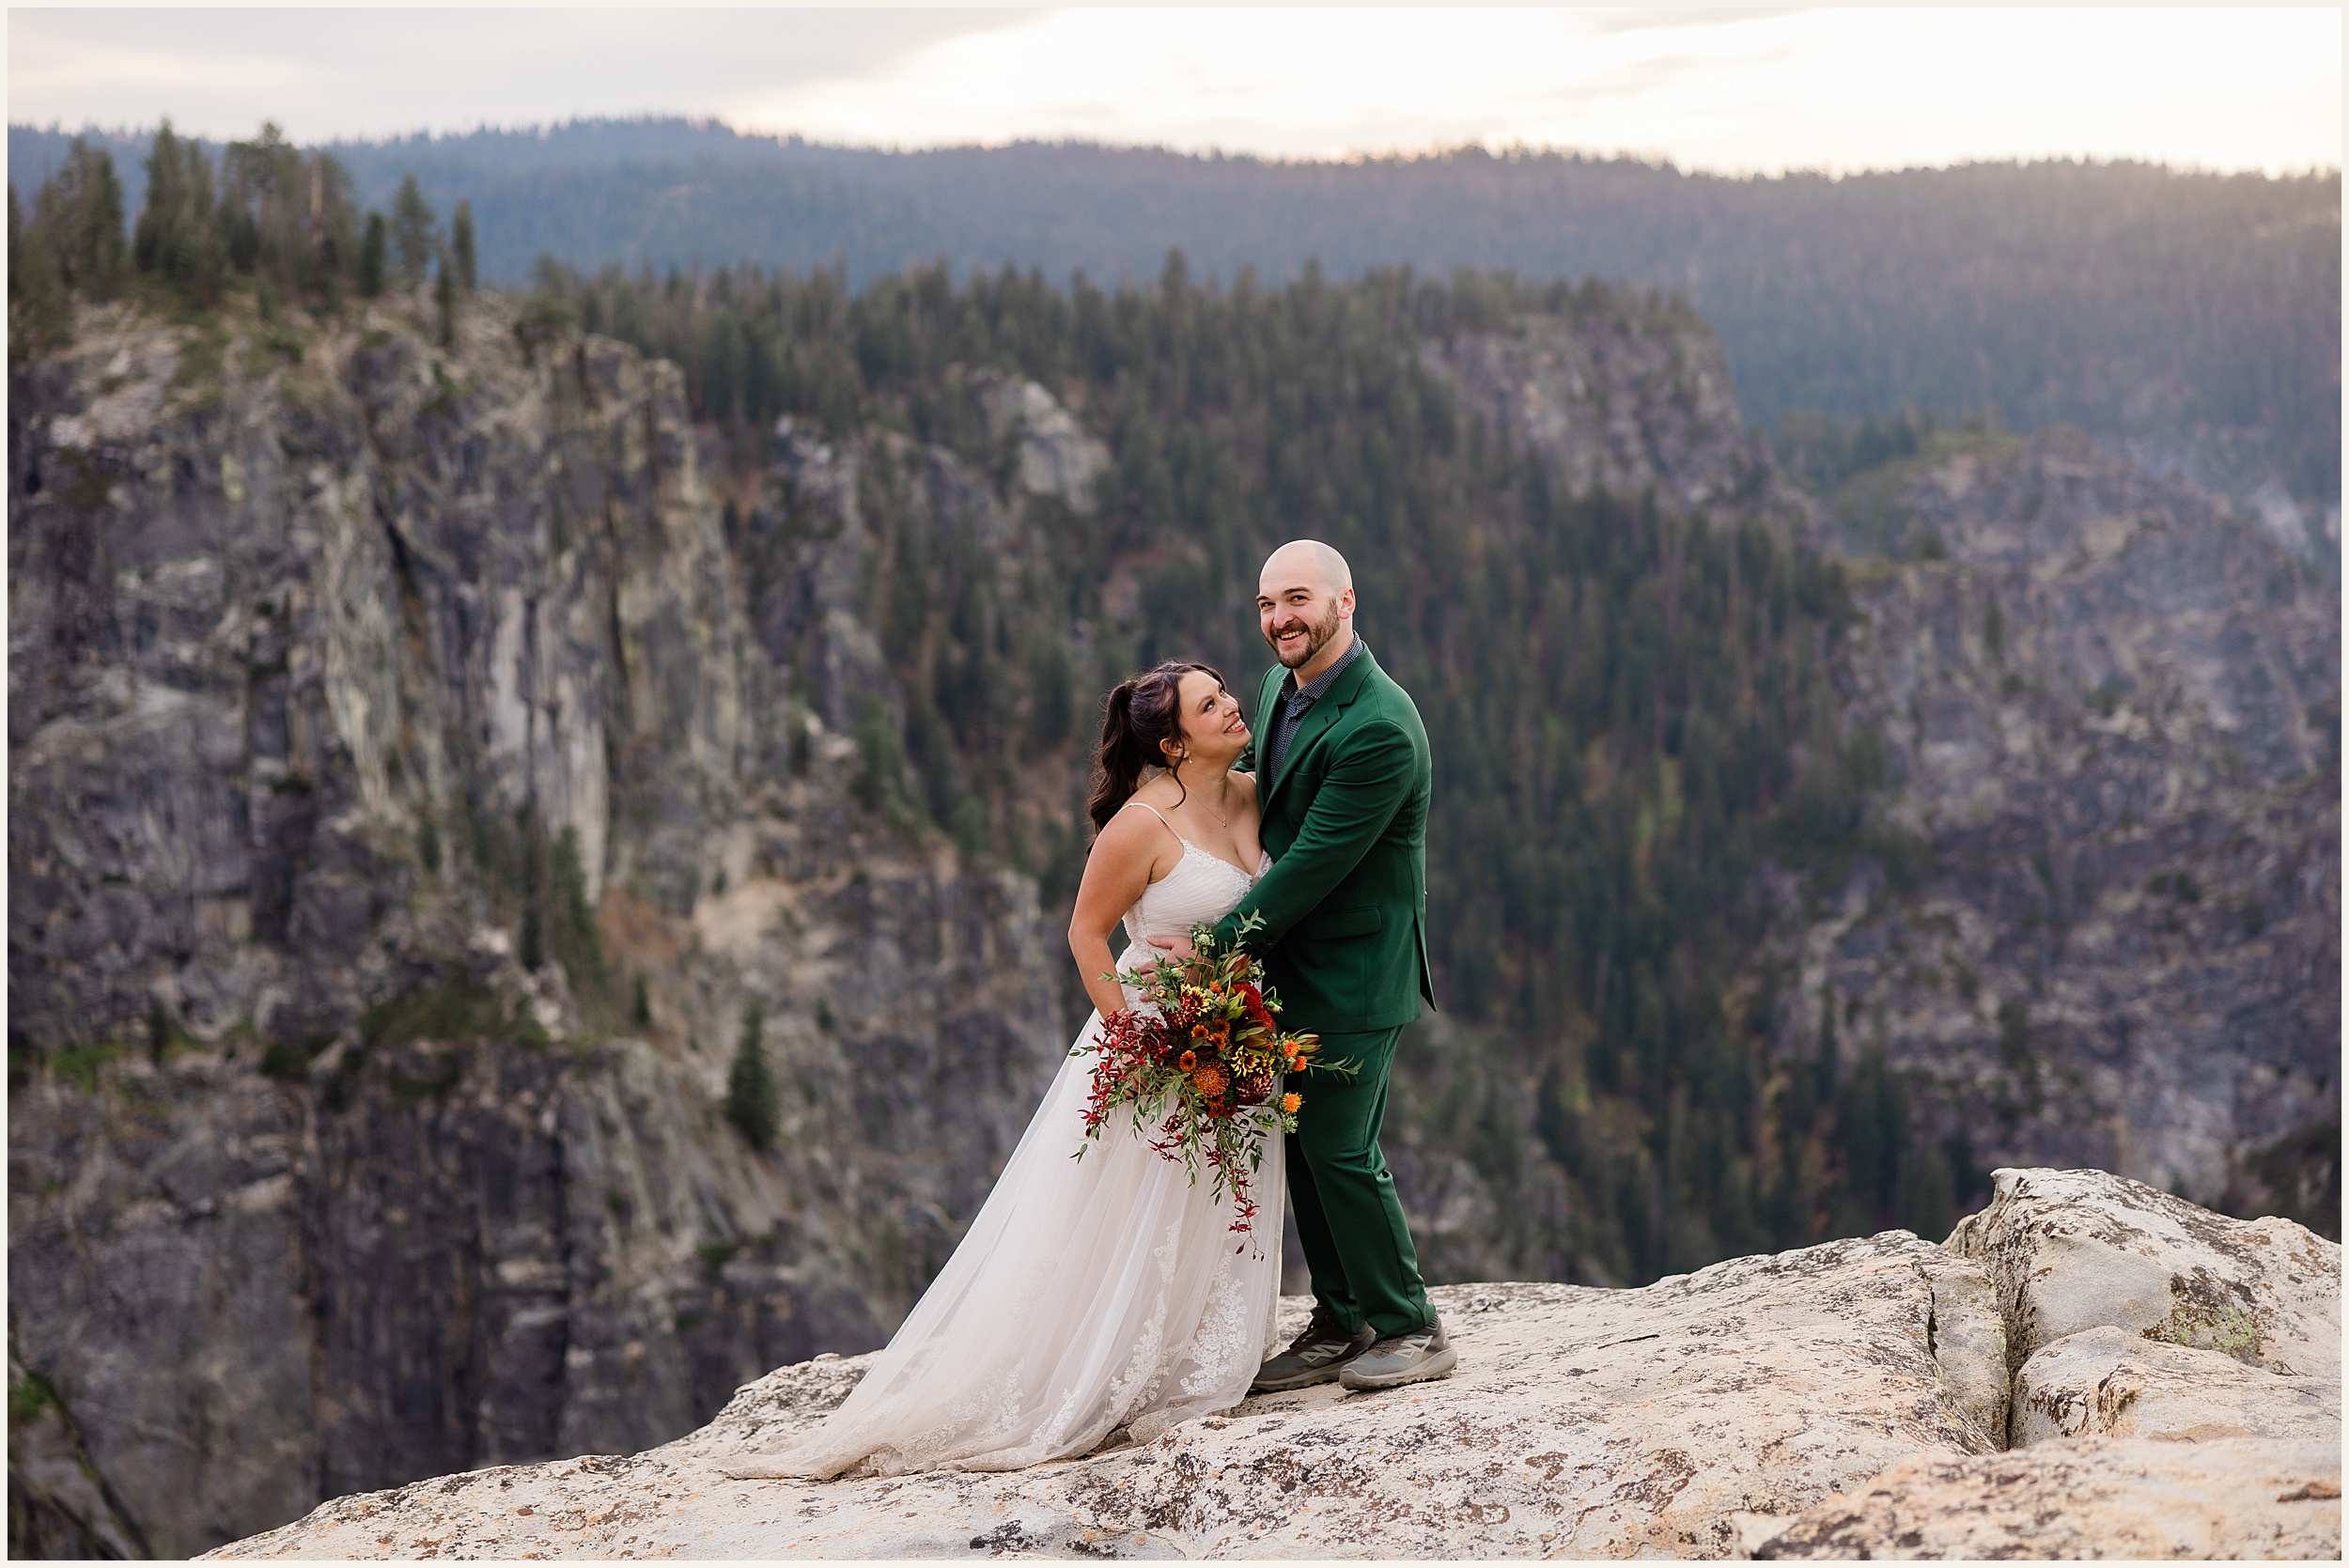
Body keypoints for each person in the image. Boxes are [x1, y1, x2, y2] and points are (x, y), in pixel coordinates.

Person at [726, 660, 1283, 1479]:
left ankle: (1199, 1353)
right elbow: (1087, 936)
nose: (1234, 704)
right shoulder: (1140, 825)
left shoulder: (1250, 791)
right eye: (1211, 704)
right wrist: (1140, 1036)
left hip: (1233, 1029)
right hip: (1156, 1039)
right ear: (1172, 743)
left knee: (1217, 1196)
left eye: (1224, 690)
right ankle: (1106, 1363)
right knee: (1139, 1209)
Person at [1150, 538, 1452, 1393]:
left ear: (1344, 602)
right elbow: (1257, 788)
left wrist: (1205, 949)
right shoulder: (1287, 684)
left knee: (1342, 1147)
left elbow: (1312, 863)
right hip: (1294, 961)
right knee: (1303, 1143)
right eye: (1265, 603)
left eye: (1297, 599)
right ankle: (1340, 1318)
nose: (1280, 618)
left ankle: (1410, 1324)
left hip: (1355, 970)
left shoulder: (1380, 728)